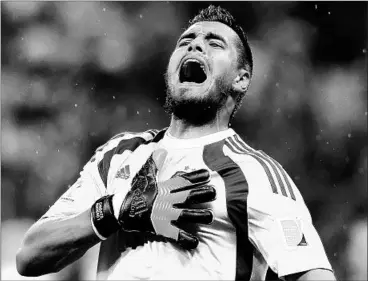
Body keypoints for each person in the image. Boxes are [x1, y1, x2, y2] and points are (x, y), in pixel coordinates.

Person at [16, 5, 336, 281]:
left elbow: (313, 272)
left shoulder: (255, 173)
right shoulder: (119, 154)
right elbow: (30, 256)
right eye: (186, 41)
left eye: (214, 43)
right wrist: (116, 210)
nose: (195, 46)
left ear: (241, 78)